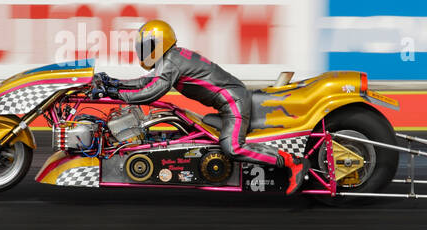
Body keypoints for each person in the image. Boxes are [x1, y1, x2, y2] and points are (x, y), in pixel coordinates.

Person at [93, 20, 310, 194]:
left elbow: (152, 91)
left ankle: (292, 161)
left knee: (232, 147)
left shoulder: (172, 62)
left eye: (147, 47)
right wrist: (113, 83)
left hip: (232, 101)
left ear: (159, 43)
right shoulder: (172, 57)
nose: (144, 51)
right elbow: (145, 82)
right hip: (229, 99)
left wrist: (115, 93)